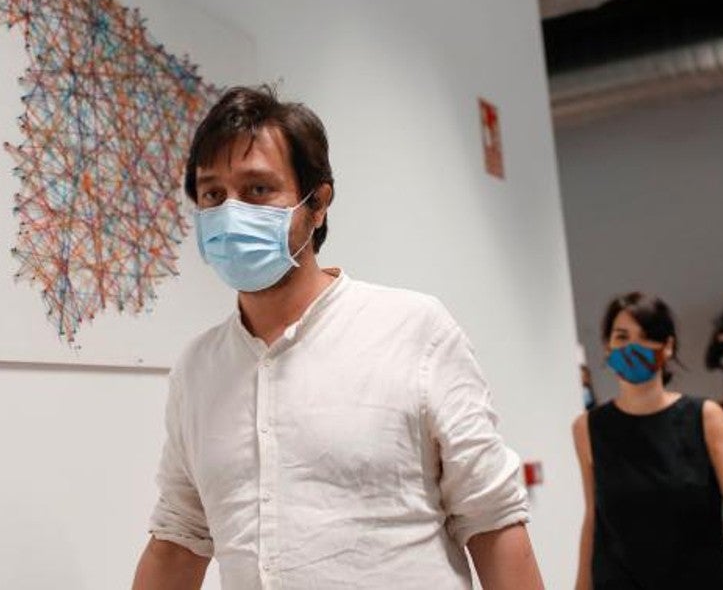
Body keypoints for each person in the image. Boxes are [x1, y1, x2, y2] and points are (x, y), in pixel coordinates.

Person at [132, 86, 543, 590]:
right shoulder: (198, 369)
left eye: (258, 189)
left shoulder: (414, 330)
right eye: (213, 194)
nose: (231, 212)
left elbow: (492, 520)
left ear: (318, 203)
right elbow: (178, 539)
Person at [572, 292, 723, 590]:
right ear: (607, 345)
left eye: (646, 336)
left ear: (668, 346)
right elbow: (594, 519)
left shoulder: (705, 417)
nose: (632, 347)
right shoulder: (588, 428)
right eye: (621, 336)